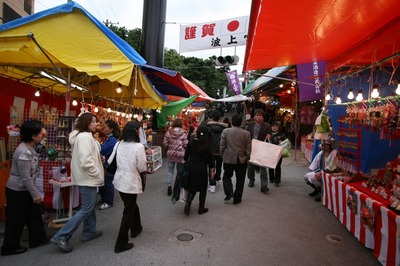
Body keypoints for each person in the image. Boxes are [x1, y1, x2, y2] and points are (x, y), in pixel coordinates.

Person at [51, 113, 104, 253]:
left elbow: (87, 157)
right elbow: (86, 161)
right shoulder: (85, 137)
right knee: (86, 208)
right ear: (86, 123)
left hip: (85, 177)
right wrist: (96, 173)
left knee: (89, 206)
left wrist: (99, 159)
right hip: (87, 178)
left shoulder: (81, 137)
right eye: (93, 122)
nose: (95, 124)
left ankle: (89, 231)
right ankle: (61, 236)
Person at [1, 120, 49, 256]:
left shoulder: (32, 146)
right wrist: (35, 194)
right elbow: (25, 177)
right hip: (17, 190)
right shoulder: (24, 152)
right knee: (16, 220)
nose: (43, 133)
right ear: (33, 136)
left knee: (34, 214)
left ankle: (38, 238)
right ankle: (9, 247)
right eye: (40, 132)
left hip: (25, 189)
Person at [109, 121, 147, 253]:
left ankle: (136, 228)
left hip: (119, 180)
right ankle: (120, 243)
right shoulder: (138, 147)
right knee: (128, 212)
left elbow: (111, 161)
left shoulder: (119, 144)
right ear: (136, 131)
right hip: (130, 181)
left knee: (130, 205)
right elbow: (142, 167)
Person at [220, 114, 252, 204]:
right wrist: (247, 158)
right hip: (241, 159)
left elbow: (222, 145)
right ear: (241, 123)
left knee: (226, 176)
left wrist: (222, 155)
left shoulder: (225, 131)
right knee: (240, 179)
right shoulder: (246, 133)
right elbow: (248, 148)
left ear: (232, 122)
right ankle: (237, 198)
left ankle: (229, 192)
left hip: (229, 158)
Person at [184, 124, 215, 215]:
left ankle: (188, 202)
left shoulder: (191, 142)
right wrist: (212, 170)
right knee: (202, 189)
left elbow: (186, 157)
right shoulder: (207, 144)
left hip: (192, 167)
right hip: (202, 169)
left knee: (193, 187)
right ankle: (201, 208)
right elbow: (211, 161)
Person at [245, 109, 271, 189]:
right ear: (254, 116)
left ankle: (264, 185)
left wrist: (269, 136)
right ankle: (251, 180)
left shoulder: (267, 126)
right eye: (257, 115)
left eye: (260, 115)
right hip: (252, 147)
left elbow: (270, 136)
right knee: (251, 166)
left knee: (263, 167)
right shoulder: (250, 125)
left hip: (262, 148)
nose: (258, 117)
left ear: (263, 117)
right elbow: (246, 135)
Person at [163, 118, 188, 197]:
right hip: (180, 155)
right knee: (179, 171)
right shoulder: (183, 133)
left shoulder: (168, 133)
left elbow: (164, 144)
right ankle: (178, 187)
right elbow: (186, 144)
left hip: (171, 154)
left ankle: (169, 185)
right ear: (181, 124)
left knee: (170, 171)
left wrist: (170, 147)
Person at [99, 119, 121, 210]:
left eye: (105, 127)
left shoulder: (112, 140)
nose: (103, 129)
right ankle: (105, 200)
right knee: (107, 182)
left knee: (108, 182)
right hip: (109, 164)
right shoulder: (111, 139)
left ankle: (108, 202)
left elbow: (103, 150)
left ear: (111, 129)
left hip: (109, 164)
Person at [206, 110, 228, 193]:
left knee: (211, 168)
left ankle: (212, 184)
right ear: (220, 118)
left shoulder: (208, 128)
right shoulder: (224, 128)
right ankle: (217, 179)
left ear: (212, 117)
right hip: (220, 150)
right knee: (219, 166)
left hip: (211, 151)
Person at [267, 122, 287, 187]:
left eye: (276, 126)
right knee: (270, 165)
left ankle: (277, 181)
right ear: (271, 127)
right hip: (270, 152)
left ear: (278, 127)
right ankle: (271, 178)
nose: (275, 127)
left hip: (278, 152)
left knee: (277, 166)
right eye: (273, 126)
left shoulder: (282, 135)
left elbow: (287, 144)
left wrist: (282, 143)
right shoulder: (268, 134)